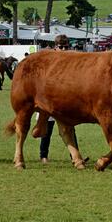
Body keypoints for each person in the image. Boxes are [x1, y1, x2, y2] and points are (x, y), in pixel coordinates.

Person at [39, 35, 82, 164]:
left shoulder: (71, 61)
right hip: (49, 100)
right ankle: (43, 156)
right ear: (55, 47)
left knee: (70, 129)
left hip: (65, 101)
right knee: (47, 130)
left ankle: (75, 157)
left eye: (66, 47)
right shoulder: (48, 60)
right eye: (61, 47)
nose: (63, 49)